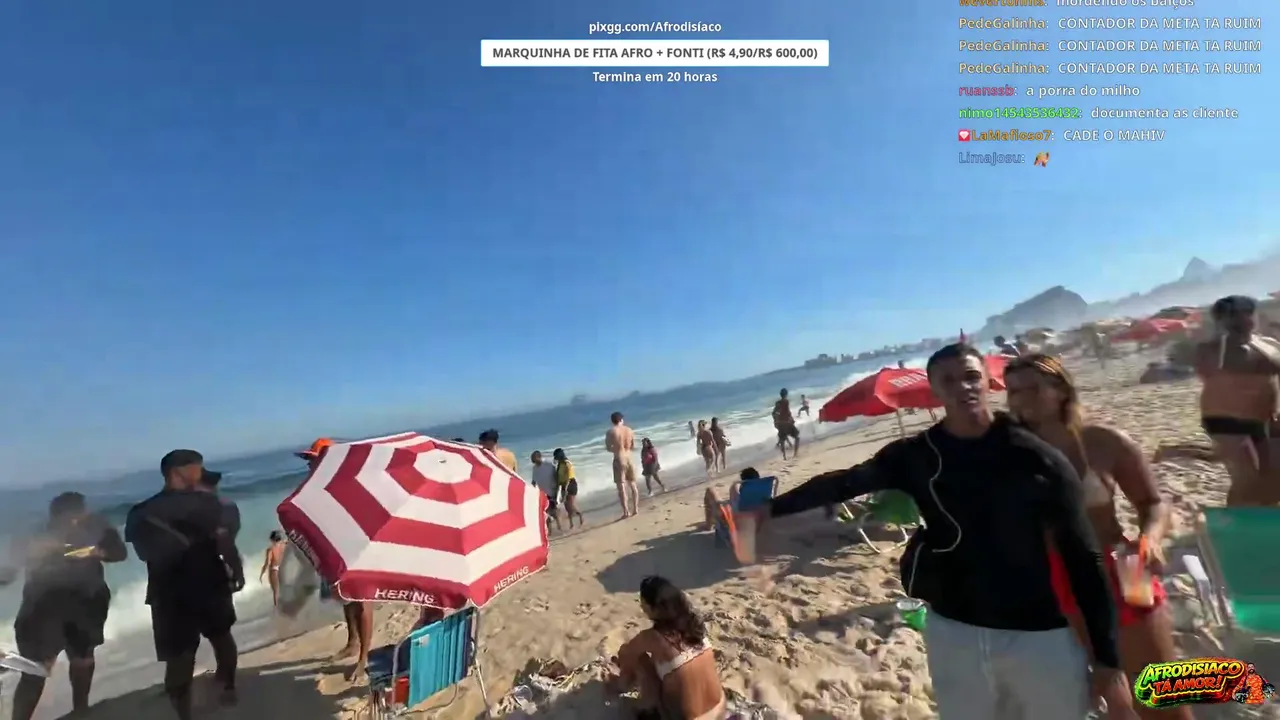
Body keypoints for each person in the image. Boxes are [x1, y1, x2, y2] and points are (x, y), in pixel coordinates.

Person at [743, 343, 1135, 720]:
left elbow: (1084, 558)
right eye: (948, 380)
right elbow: (844, 483)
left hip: (1039, 634)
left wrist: (1107, 660)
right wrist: (771, 508)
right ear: (935, 390)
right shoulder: (917, 455)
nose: (963, 387)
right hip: (954, 631)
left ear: (987, 382)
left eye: (971, 376)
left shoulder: (1038, 458)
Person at [1005, 354, 1189, 720]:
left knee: (1162, 695)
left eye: (1032, 388)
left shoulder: (1103, 442)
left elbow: (1153, 503)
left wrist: (1150, 538)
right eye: (1013, 391)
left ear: (1061, 390)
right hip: (1052, 581)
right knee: (1111, 703)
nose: (1021, 398)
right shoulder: (1006, 454)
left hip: (1123, 567)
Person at [126, 450, 245, 720]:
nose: (200, 473)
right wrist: (236, 570)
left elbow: (143, 554)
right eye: (197, 468)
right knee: (221, 638)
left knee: (178, 657)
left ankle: (183, 714)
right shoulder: (210, 504)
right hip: (209, 583)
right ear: (177, 472)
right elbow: (225, 542)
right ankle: (228, 688)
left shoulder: (141, 512)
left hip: (167, 593)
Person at [0, 492, 127, 720]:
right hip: (42, 607)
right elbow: (12, 567)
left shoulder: (98, 529)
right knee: (35, 670)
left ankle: (81, 711)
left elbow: (119, 553)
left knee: (81, 660)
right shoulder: (37, 536)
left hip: (86, 603)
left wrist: (96, 552)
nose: (75, 520)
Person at [294, 438, 373, 677]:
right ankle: (353, 642)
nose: (309, 464)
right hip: (335, 548)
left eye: (312, 459)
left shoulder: (347, 480)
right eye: (308, 460)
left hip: (357, 547)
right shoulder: (317, 483)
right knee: (346, 598)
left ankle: (364, 657)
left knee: (362, 602)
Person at [1195, 295, 1280, 506]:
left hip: (1265, 417)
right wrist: (1229, 342)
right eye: (1233, 314)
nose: (1243, 317)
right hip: (1226, 420)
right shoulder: (1212, 349)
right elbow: (1209, 372)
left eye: (1247, 311)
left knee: (1272, 477)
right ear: (1221, 320)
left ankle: (1264, 517)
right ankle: (1236, 520)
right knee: (1246, 478)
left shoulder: (1268, 343)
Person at [607, 576, 725, 720]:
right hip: (720, 710)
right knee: (673, 669)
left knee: (640, 660)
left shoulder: (653, 637)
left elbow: (625, 653)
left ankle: (622, 686)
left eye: (643, 603)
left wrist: (627, 672)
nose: (642, 607)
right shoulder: (694, 627)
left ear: (652, 608)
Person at [606, 412, 641, 519]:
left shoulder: (611, 431)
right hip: (629, 458)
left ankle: (626, 512)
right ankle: (636, 509)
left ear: (612, 421)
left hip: (619, 458)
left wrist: (616, 449)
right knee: (633, 484)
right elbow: (633, 446)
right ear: (621, 419)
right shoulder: (629, 430)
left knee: (621, 487)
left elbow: (608, 447)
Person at [530, 451, 562, 533]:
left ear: (539, 457)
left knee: (554, 512)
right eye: (532, 460)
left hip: (552, 491)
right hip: (542, 494)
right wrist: (530, 492)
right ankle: (549, 531)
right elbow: (533, 482)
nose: (533, 462)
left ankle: (560, 528)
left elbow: (556, 477)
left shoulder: (549, 464)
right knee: (545, 513)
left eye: (534, 459)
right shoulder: (534, 468)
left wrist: (557, 491)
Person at [554, 448, 584, 528]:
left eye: (556, 456)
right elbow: (558, 478)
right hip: (564, 485)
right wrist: (558, 489)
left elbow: (568, 478)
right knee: (567, 506)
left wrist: (565, 490)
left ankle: (580, 515)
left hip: (571, 484)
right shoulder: (559, 465)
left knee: (571, 504)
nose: (555, 458)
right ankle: (571, 524)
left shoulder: (567, 464)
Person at [259, 531, 287, 606]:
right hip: (281, 568)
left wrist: (261, 574)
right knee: (281, 590)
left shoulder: (270, 550)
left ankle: (276, 609)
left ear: (272, 539)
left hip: (274, 570)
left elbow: (267, 563)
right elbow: (289, 541)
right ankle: (282, 607)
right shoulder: (284, 545)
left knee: (275, 591)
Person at [772, 389, 801, 459]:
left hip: (780, 424)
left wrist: (776, 421)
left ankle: (784, 456)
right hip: (787, 423)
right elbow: (788, 412)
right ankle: (795, 454)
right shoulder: (786, 401)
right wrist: (792, 419)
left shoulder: (777, 403)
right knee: (797, 436)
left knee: (782, 440)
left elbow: (773, 413)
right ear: (786, 394)